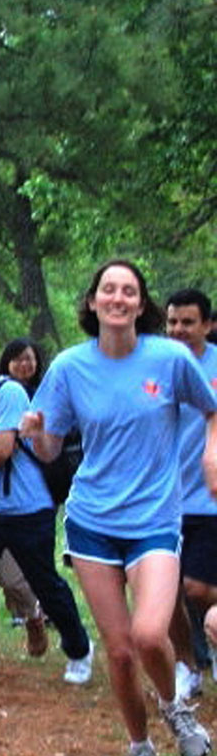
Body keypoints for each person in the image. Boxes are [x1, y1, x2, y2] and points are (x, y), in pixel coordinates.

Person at [21, 260, 217, 756]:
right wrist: (35, 432)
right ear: (92, 302)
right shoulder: (68, 367)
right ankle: (139, 747)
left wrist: (210, 455)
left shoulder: (170, 359)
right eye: (108, 289)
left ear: (140, 303)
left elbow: (213, 408)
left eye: (128, 291)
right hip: (92, 520)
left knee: (152, 633)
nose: (118, 298)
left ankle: (175, 709)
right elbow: (49, 448)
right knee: (121, 650)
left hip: (154, 516)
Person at [0, 331, 93, 688]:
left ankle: (79, 648)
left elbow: (4, 452)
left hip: (28, 509)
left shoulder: (8, 392)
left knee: (43, 581)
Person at [164, 289, 217, 696]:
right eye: (173, 322)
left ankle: (212, 638)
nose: (179, 330)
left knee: (197, 588)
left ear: (208, 325)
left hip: (209, 497)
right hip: (162, 497)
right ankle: (187, 665)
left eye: (188, 322)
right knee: (162, 595)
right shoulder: (157, 366)